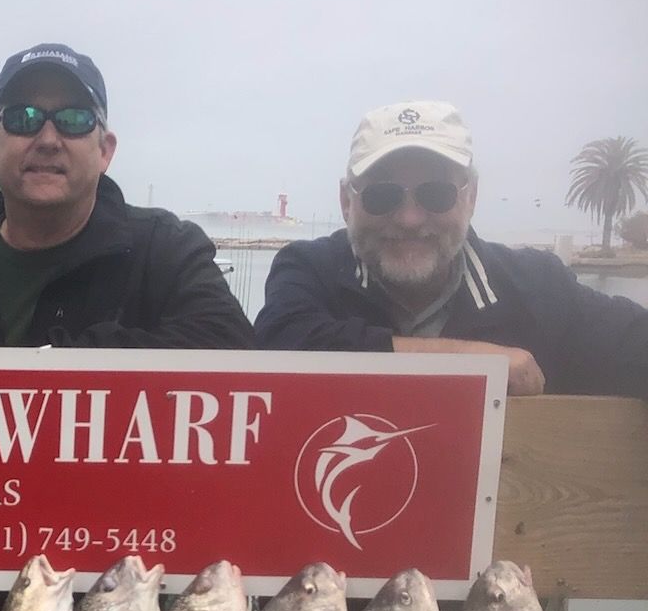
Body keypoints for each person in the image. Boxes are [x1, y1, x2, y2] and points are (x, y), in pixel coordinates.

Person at [253, 100, 648, 396]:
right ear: (346, 201)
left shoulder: (540, 286)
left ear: (471, 197)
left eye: (436, 194)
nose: (409, 219)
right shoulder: (308, 269)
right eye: (382, 196)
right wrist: (476, 363)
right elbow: (281, 346)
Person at [0, 43, 252, 350]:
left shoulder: (167, 254)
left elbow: (234, 353)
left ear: (105, 151)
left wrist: (63, 367)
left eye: (74, 119)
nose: (49, 139)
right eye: (24, 118)